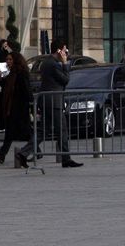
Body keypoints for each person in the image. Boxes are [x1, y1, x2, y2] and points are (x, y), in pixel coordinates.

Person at [16, 39, 82, 168]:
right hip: (53, 101)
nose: (66, 53)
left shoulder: (47, 62)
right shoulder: (54, 64)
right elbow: (65, 80)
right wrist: (64, 64)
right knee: (62, 130)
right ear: (59, 50)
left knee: (43, 131)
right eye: (65, 50)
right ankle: (66, 159)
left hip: (47, 100)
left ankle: (23, 153)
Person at [0, 52, 32, 165]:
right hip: (12, 108)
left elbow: (27, 91)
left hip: (20, 109)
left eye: (10, 59)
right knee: (10, 134)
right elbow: (6, 83)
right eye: (7, 59)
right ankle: (1, 156)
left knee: (27, 134)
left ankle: (36, 151)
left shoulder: (21, 74)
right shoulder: (13, 73)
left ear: (16, 60)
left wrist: (29, 105)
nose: (8, 62)